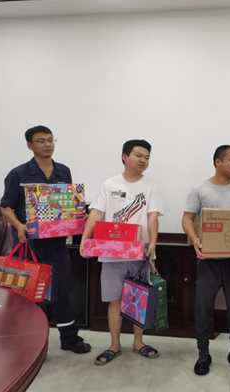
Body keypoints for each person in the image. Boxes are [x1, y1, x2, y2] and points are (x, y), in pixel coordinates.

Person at [0, 125, 91, 354]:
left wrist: (79, 217)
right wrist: (19, 226)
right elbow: (5, 207)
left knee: (61, 290)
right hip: (27, 244)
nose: (47, 144)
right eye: (41, 141)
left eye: (50, 140)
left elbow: (68, 204)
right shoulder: (18, 174)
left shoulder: (63, 171)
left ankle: (69, 338)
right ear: (30, 145)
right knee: (27, 294)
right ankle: (28, 344)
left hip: (56, 243)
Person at [81, 140, 164, 365]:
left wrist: (153, 243)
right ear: (124, 157)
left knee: (139, 298)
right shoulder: (109, 184)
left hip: (141, 253)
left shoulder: (151, 186)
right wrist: (85, 238)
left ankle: (138, 342)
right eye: (139, 155)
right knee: (115, 300)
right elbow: (96, 212)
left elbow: (153, 216)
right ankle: (114, 344)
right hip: (112, 253)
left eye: (147, 157)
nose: (143, 160)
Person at [182, 145, 230, 376]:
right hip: (208, 260)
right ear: (218, 162)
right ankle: (203, 354)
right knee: (203, 307)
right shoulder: (199, 189)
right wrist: (195, 238)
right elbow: (187, 218)